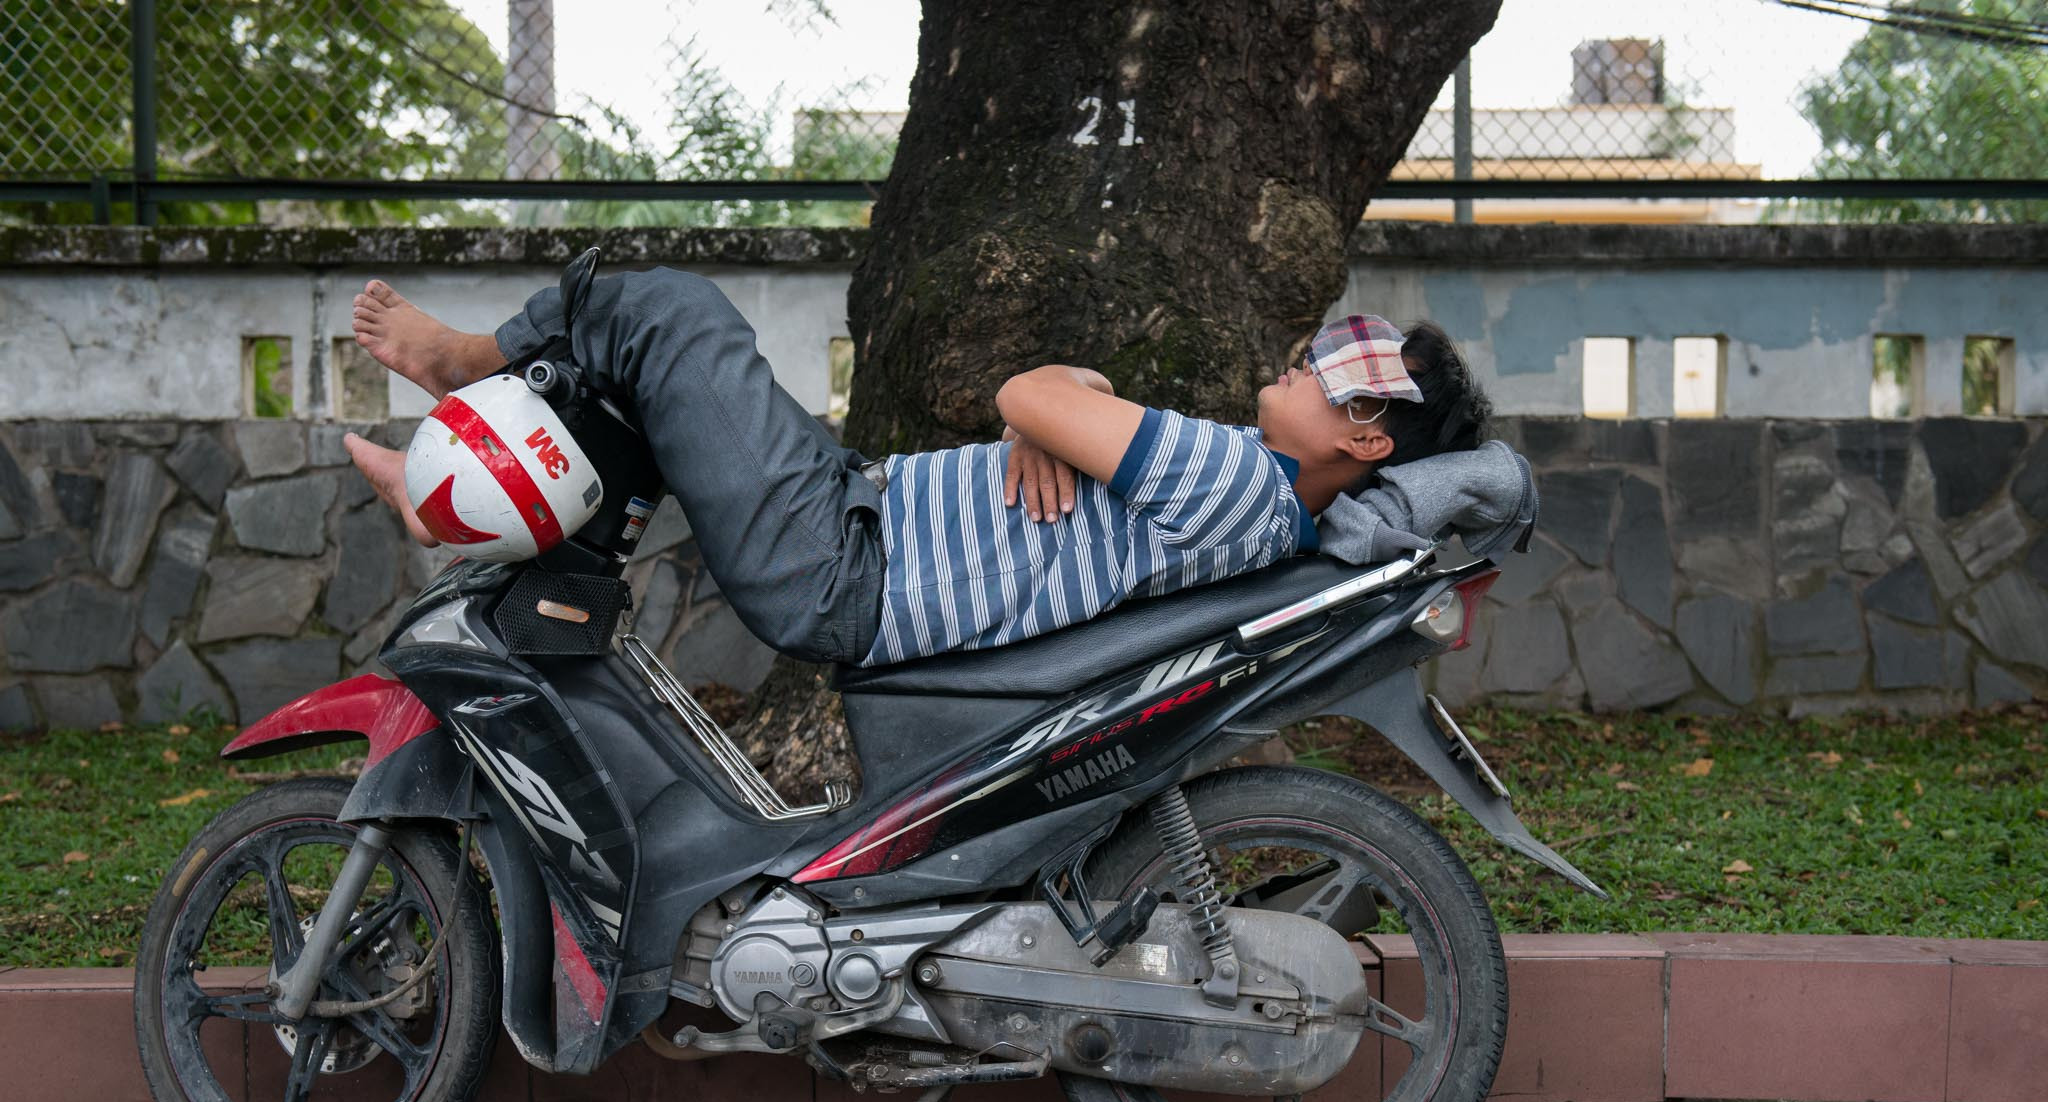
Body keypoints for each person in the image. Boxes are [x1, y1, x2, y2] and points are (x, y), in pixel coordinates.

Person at [343, 268, 1527, 668]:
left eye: (1336, 366)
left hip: (844, 560)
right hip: (854, 518)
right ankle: (454, 502)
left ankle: (462, 362)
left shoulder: (1231, 480)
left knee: (663, 312)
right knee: (630, 399)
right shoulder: (1242, 489)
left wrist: (1057, 404)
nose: (1304, 360)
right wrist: (1059, 412)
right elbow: (1040, 405)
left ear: (1367, 439)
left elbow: (1024, 389)